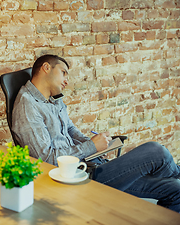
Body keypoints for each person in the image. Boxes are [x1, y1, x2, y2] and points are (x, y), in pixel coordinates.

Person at [12, 54, 180, 213]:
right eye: (64, 73)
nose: (66, 81)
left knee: (176, 190)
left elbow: (71, 130)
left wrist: (98, 146)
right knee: (155, 151)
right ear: (46, 68)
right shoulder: (27, 105)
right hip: (79, 177)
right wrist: (91, 146)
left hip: (93, 165)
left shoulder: (54, 100)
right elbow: (46, 159)